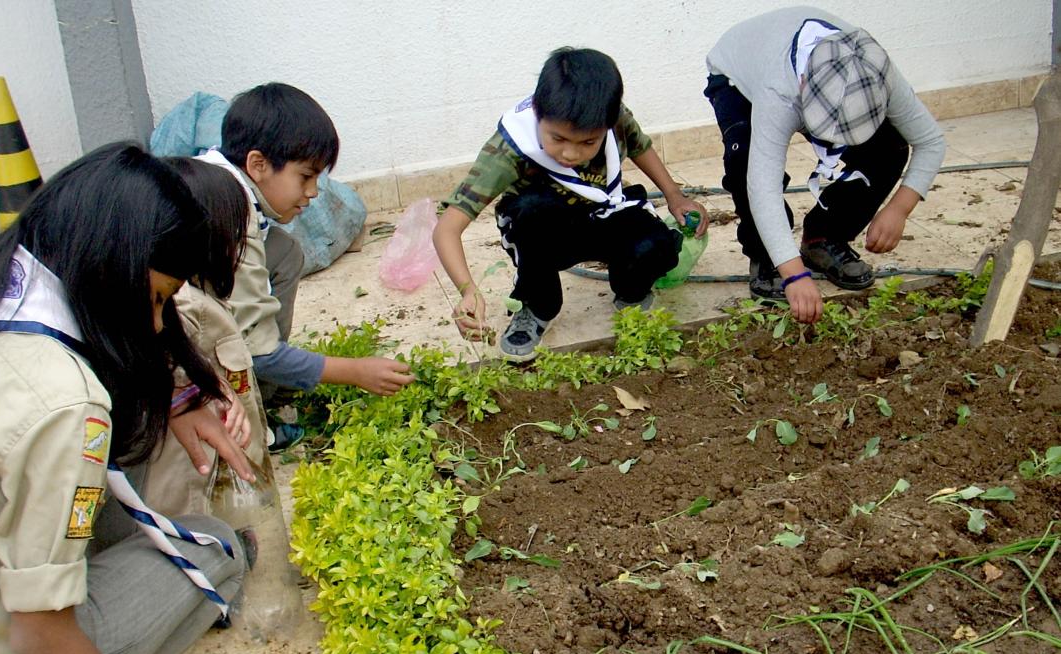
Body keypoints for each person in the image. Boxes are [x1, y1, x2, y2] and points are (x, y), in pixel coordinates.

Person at [0, 143, 248, 654]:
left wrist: (180, 396)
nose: (158, 322)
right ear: (110, 267)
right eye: (157, 299)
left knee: (113, 483)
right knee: (219, 549)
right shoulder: (64, 403)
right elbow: (40, 633)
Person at [433, 47, 710, 363]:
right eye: (558, 139)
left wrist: (675, 195)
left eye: (588, 143)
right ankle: (536, 308)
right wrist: (469, 290)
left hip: (604, 212)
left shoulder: (614, 117)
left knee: (658, 245)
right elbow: (446, 229)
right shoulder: (509, 148)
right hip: (547, 231)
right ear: (538, 113)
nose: (570, 154)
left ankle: (631, 292)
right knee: (529, 211)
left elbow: (639, 146)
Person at [198, 83, 414, 449]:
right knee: (253, 349)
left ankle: (266, 388)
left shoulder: (220, 178)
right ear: (258, 164)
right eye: (305, 177)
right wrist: (354, 372)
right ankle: (244, 416)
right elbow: (254, 350)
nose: (313, 193)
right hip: (159, 349)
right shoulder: (231, 218)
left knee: (282, 251)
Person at [704, 6, 946, 324]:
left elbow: (930, 140)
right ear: (804, 86)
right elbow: (761, 184)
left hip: (805, 67)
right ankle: (767, 257)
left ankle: (823, 238)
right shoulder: (779, 91)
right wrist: (792, 274)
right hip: (737, 74)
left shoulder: (876, 71)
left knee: (889, 146)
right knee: (744, 160)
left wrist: (901, 207)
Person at [141, 157, 269, 523]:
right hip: (196, 490)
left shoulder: (207, 298)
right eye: (239, 234)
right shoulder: (184, 308)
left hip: (229, 466)